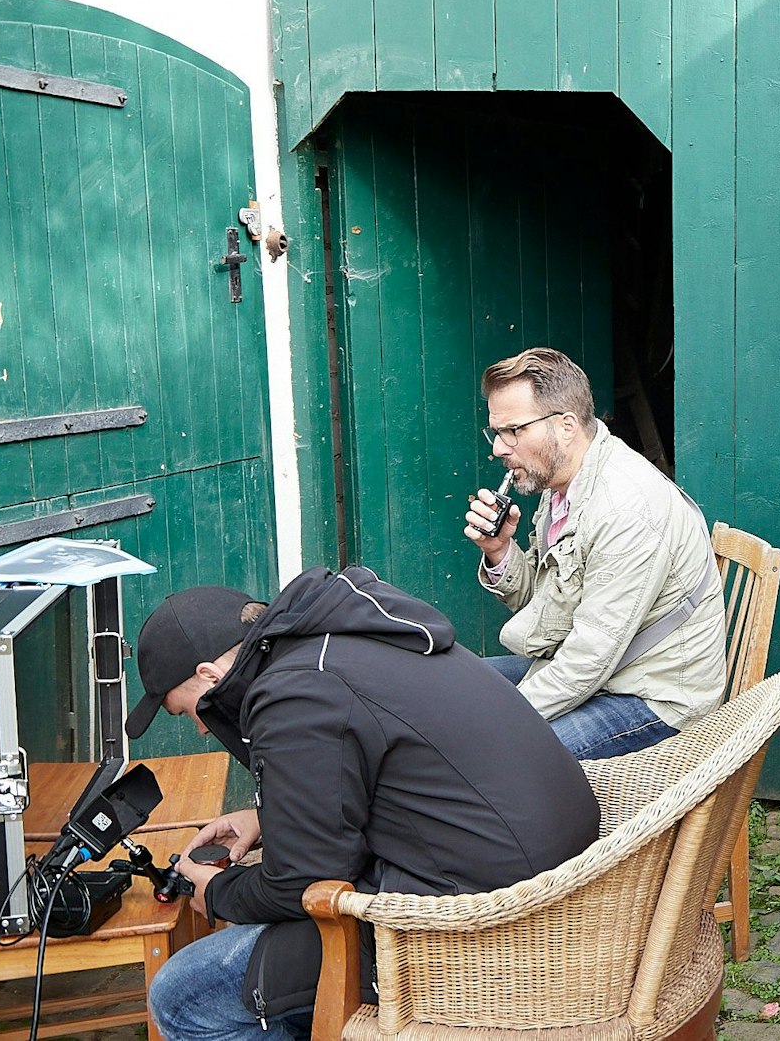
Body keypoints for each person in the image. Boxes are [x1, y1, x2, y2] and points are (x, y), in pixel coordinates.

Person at [132, 568, 600, 1041]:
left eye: (190, 711)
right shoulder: (344, 635)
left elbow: (303, 881)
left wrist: (218, 891)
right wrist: (270, 817)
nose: (202, 728)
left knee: (183, 996)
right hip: (548, 870)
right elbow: (394, 767)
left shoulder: (294, 694)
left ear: (209, 676)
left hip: (484, 918)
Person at [464, 348, 725, 760]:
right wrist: (499, 552)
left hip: (649, 696)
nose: (499, 448)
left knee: (495, 757)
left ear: (566, 426)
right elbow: (550, 607)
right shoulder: (563, 484)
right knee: (450, 689)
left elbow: (587, 662)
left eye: (513, 430)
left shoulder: (625, 508)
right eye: (495, 432)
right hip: (599, 669)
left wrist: (496, 726)